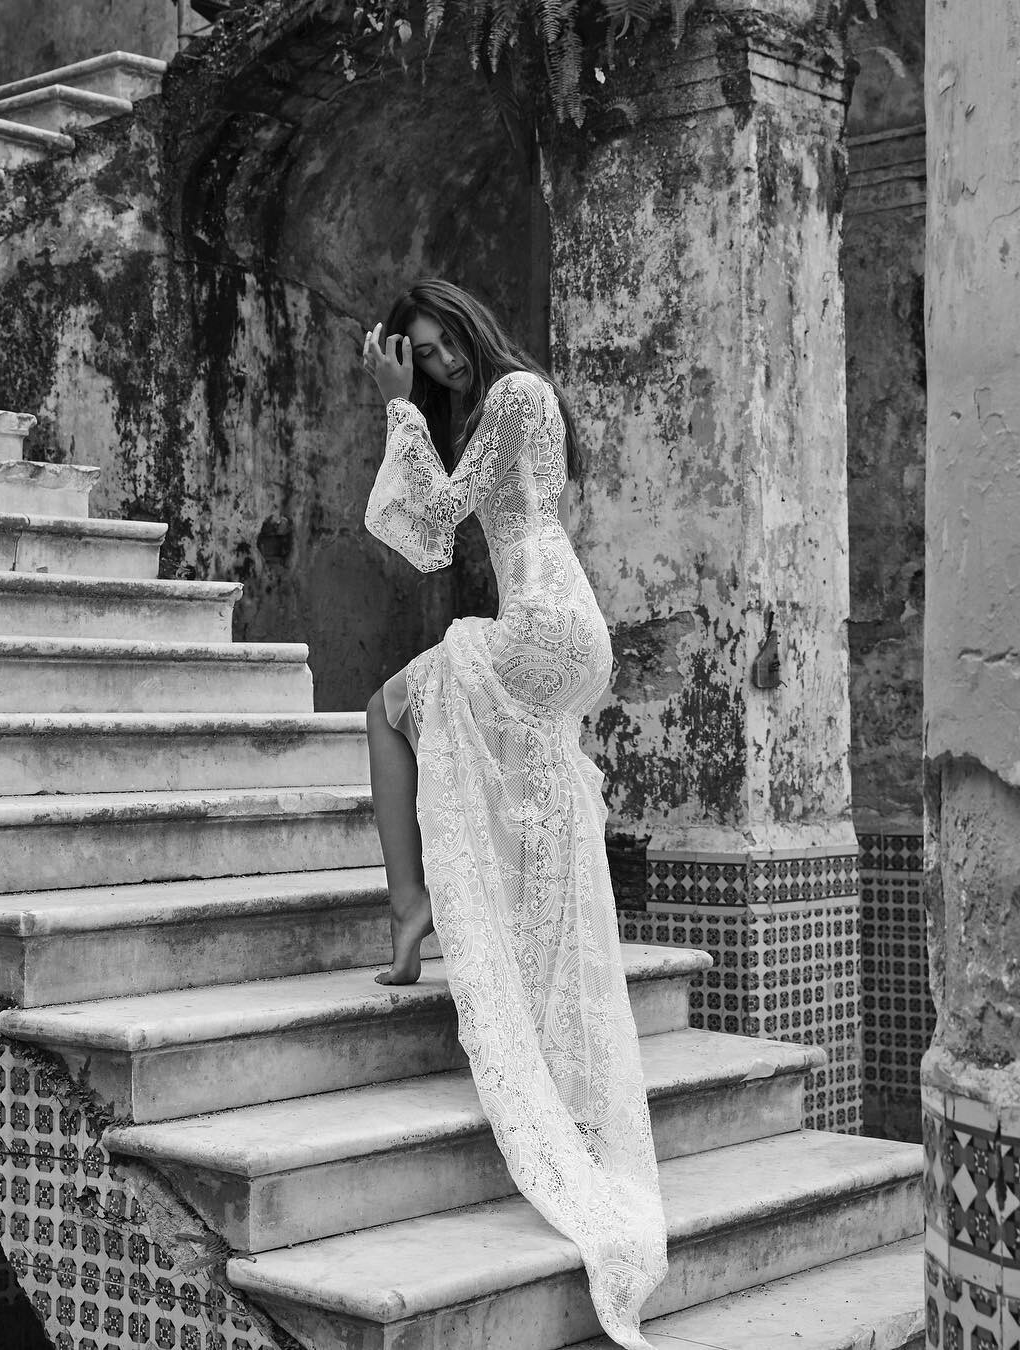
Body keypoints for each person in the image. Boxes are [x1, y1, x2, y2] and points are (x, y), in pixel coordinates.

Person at [361, 279, 666, 1350]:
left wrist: (395, 406)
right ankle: (462, 926)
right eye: (426, 356)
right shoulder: (513, 405)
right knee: (504, 786)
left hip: (545, 624)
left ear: (471, 327)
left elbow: (434, 527)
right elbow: (438, 531)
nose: (443, 364)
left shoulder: (517, 395)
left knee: (387, 710)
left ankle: (412, 906)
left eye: (447, 344)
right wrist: (416, 411)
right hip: (561, 628)